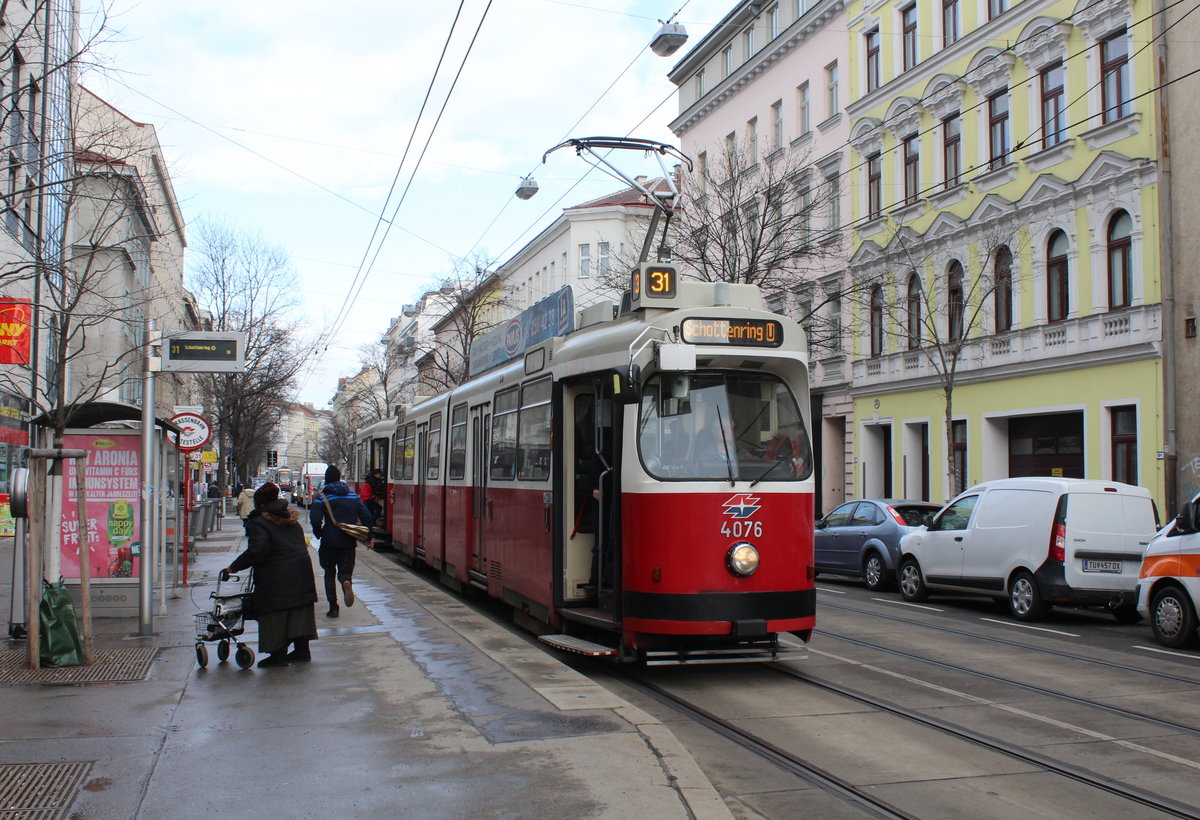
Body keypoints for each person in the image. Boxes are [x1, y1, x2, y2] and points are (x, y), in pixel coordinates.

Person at [223, 482, 318, 668]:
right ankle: (301, 650)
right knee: (299, 612)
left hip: (276, 577)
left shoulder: (261, 523)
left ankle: (278, 655)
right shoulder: (291, 519)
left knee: (275, 614)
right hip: (301, 572)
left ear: (261, 504)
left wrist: (233, 568)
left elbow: (257, 552)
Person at [309, 465, 371, 618]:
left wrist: (320, 533)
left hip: (329, 542)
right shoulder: (353, 496)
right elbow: (367, 517)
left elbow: (315, 520)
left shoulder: (322, 497)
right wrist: (368, 537)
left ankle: (333, 607)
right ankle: (345, 582)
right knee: (345, 571)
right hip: (348, 543)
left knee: (329, 573)